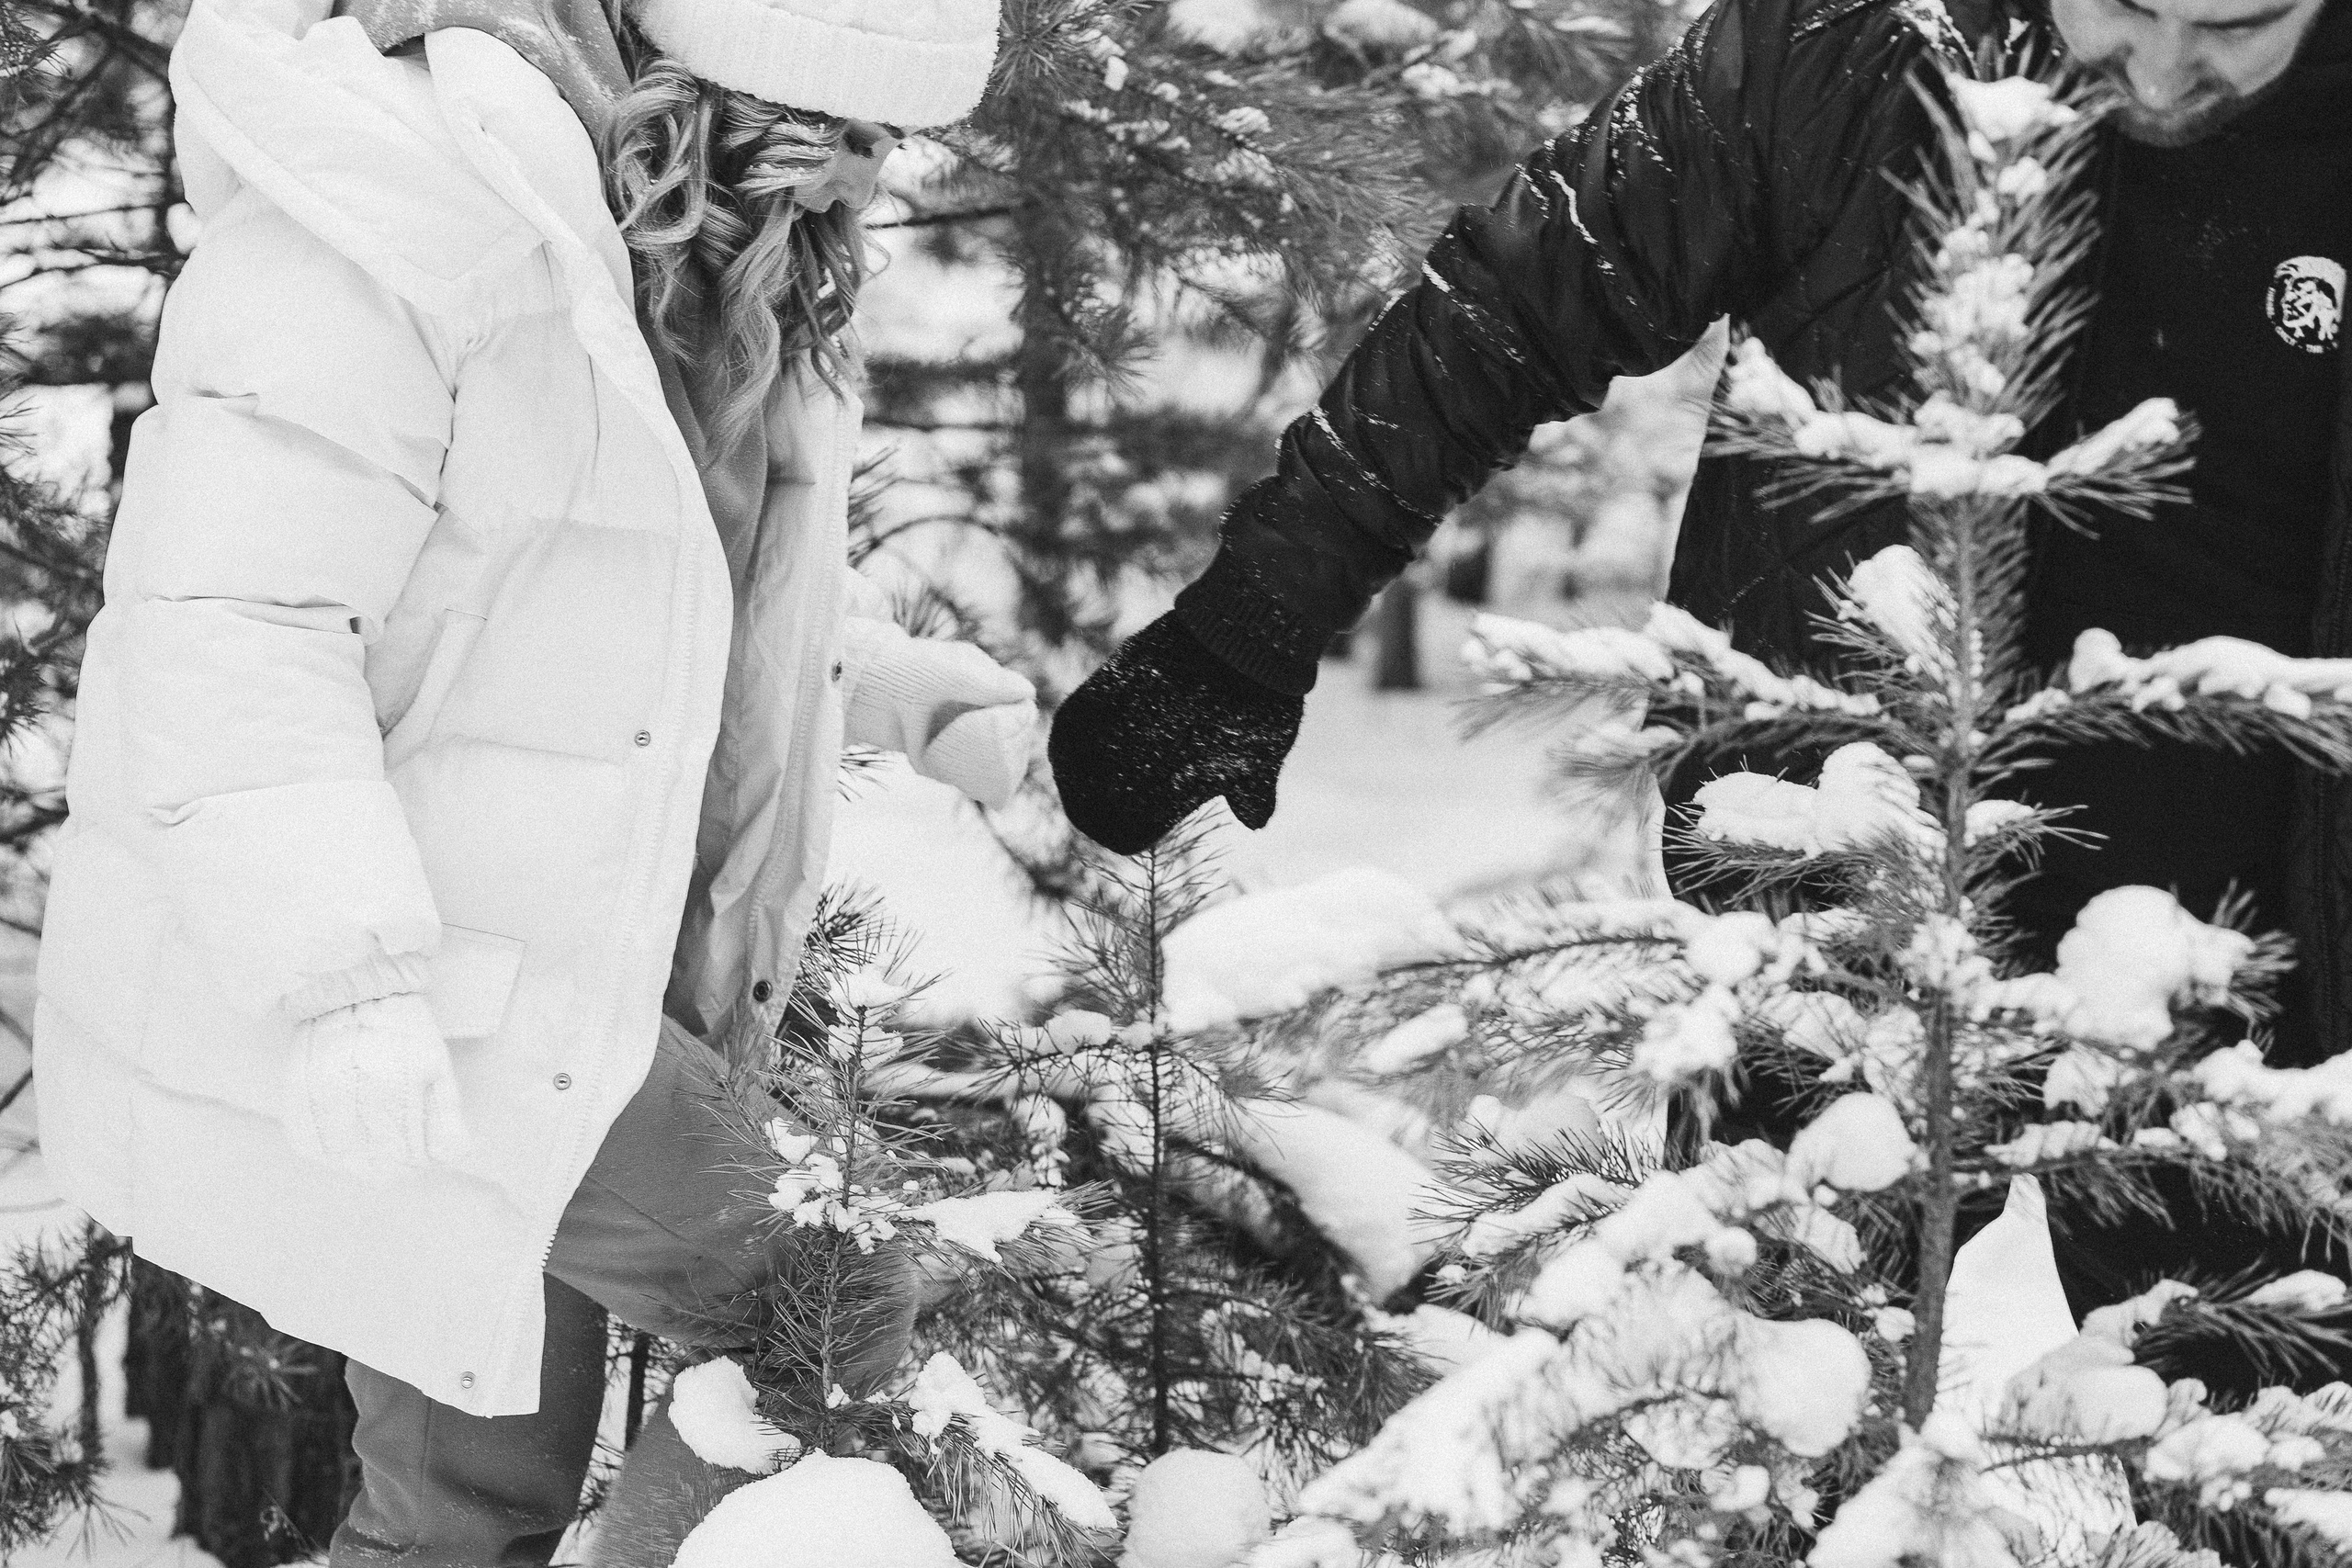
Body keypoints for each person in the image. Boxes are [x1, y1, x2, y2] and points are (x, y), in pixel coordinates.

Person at [1051, 0, 2349, 1347]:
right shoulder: (1850, 45)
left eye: (2237, 23)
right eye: (2124, 5)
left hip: (2243, 953)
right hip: (1836, 885)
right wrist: (1246, 626)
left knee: (2263, 1440)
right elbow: (1521, 293)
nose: (2162, 67)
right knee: (1755, 1390)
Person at [31, 0, 1031, 1560]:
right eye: (838, 144)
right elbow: (230, 625)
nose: (863, 189)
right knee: (831, 1302)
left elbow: (614, 588)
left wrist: (869, 683)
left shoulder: (688, 258)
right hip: (409, 974)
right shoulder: (403, 200)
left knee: (461, 1516)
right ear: (731, 93)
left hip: (545, 963)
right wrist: (345, 981)